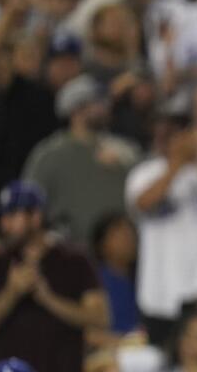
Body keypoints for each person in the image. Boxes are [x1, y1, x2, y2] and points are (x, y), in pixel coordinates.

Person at [125, 98, 197, 346]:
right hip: (159, 292)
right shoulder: (145, 173)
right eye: (164, 128)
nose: (171, 135)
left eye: (178, 128)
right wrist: (176, 164)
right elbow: (144, 203)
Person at [0, 181, 109, 372]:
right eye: (4, 217)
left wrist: (48, 299)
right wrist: (12, 292)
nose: (4, 225)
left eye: (11, 216)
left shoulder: (74, 260)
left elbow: (100, 317)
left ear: (36, 217)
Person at [22, 74, 141, 248]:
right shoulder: (49, 154)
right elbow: (28, 204)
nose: (105, 107)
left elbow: (146, 184)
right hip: (68, 254)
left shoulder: (124, 150)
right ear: (77, 109)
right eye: (97, 102)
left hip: (117, 256)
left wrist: (125, 164)